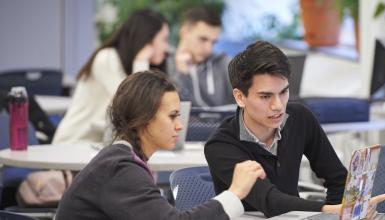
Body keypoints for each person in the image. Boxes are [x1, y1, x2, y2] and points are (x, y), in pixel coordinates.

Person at [204, 41, 385, 218]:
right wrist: (330, 210)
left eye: (284, 92)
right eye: (265, 96)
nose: (278, 105)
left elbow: (337, 179)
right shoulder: (220, 145)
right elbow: (270, 201)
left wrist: (339, 215)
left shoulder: (299, 118)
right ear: (240, 97)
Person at [56, 70, 266, 219]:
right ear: (143, 118)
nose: (179, 126)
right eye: (173, 116)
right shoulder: (121, 170)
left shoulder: (121, 160)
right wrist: (235, 192)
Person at [53, 9, 170, 144]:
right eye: (164, 39)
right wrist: (141, 60)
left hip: (100, 145)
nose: (166, 48)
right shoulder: (106, 58)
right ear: (147, 39)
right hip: (74, 144)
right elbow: (134, 107)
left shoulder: (134, 65)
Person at [169, 6, 234, 107]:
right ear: (184, 32)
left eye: (213, 42)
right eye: (203, 39)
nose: (209, 48)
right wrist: (181, 75)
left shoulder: (224, 64)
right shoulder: (165, 62)